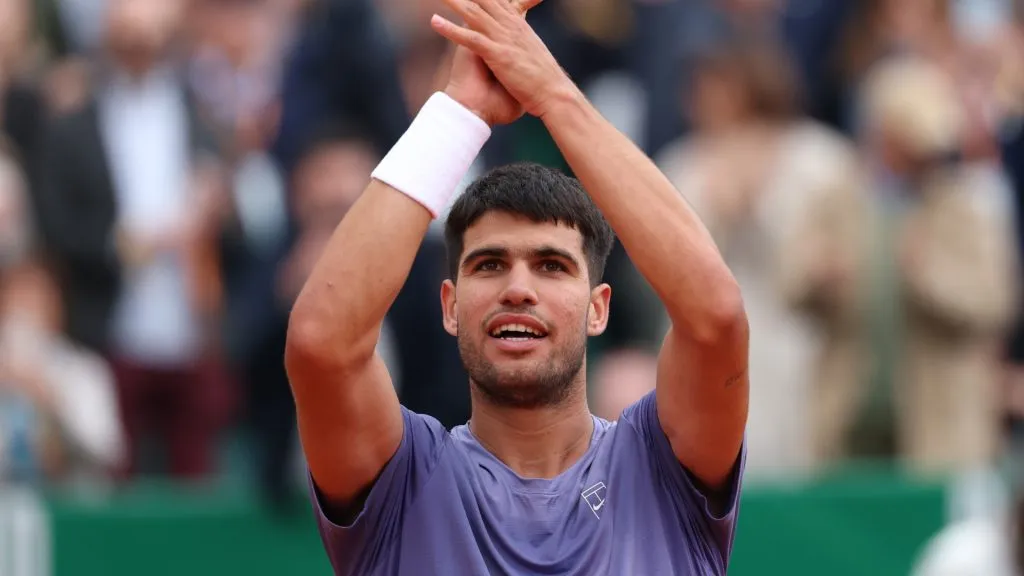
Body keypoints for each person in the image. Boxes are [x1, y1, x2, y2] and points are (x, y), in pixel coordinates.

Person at [284, 0, 750, 573]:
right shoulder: (403, 480)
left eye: (552, 265)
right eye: (489, 265)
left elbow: (716, 315)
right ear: (449, 305)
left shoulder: (663, 465)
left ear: (598, 309)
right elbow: (320, 343)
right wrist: (457, 111)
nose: (518, 288)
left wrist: (553, 94)